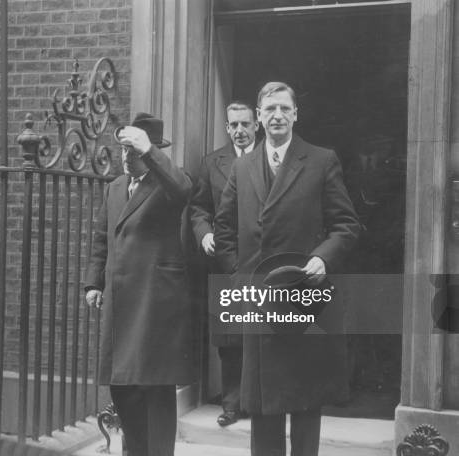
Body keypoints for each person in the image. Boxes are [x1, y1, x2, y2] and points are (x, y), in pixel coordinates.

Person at [215, 82, 360, 456]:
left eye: (284, 108)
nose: (276, 116)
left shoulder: (320, 159)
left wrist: (323, 258)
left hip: (303, 298)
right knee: (263, 403)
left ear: (296, 114)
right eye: (269, 110)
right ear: (259, 118)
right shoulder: (242, 165)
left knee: (304, 399)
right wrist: (240, 277)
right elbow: (225, 228)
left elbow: (346, 224)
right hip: (259, 299)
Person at [84, 112, 194, 456]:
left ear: (150, 151)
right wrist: (94, 283)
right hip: (120, 301)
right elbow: (101, 237)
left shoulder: (167, 185)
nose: (126, 158)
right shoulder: (115, 187)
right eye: (124, 151)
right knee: (123, 387)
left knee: (155, 386)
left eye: (134, 151)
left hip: (154, 301)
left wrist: (149, 151)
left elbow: (184, 189)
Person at [190, 101, 258, 426]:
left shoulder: (273, 159)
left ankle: (260, 400)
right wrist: (204, 234)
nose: (240, 131)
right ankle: (232, 404)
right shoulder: (211, 162)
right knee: (230, 335)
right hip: (225, 260)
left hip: (264, 259)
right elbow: (199, 207)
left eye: (246, 124)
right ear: (227, 127)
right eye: (234, 125)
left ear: (256, 124)